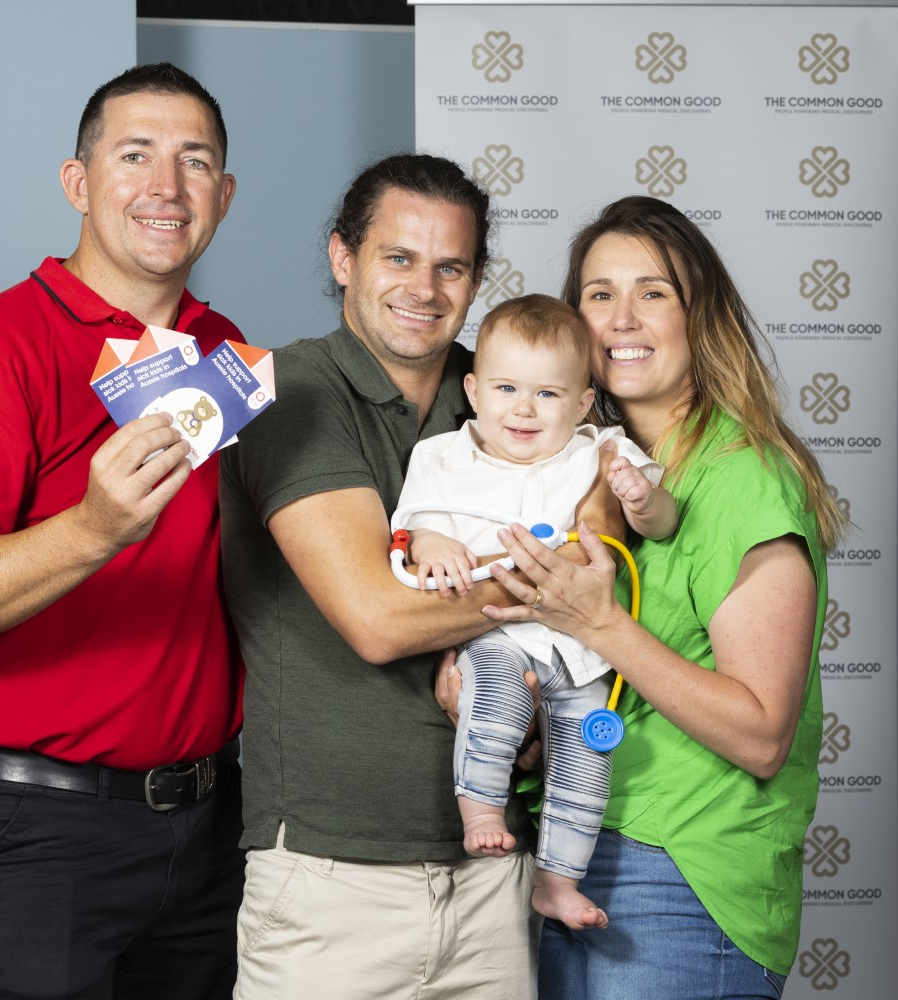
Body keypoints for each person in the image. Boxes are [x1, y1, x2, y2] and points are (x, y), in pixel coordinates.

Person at [0, 63, 243, 1000]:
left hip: (207, 825)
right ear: (78, 184)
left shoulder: (225, 352)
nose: (166, 188)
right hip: (35, 832)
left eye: (193, 162)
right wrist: (90, 529)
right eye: (135, 157)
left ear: (224, 196)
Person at [219, 153, 618, 999]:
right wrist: (543, 596)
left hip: (493, 874)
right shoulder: (291, 389)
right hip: (332, 879)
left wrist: (533, 645)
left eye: (452, 266)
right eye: (398, 258)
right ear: (343, 260)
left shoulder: (507, 391)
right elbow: (379, 620)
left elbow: (604, 532)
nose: (424, 288)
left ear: (476, 280)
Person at [480, 196, 845, 999]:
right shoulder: (601, 478)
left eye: (654, 293)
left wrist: (601, 625)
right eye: (599, 294)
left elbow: (759, 735)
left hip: (680, 878)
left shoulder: (742, 476)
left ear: (699, 316)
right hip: (577, 855)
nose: (621, 318)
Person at [393, 293, 676, 932]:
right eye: (506, 388)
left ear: (581, 403)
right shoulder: (442, 457)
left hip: (576, 649)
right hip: (494, 629)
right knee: (492, 698)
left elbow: (659, 522)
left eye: (548, 395)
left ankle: (557, 880)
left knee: (586, 755)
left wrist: (640, 497)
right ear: (472, 389)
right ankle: (482, 812)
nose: (523, 408)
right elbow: (413, 524)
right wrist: (434, 541)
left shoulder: (596, 451)